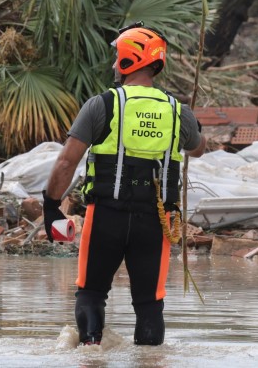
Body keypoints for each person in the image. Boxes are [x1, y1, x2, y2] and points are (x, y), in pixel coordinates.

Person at [43, 24, 204, 347]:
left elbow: (65, 162)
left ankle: (90, 354)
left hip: (106, 217)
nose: (115, 64)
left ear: (131, 60)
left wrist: (50, 205)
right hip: (156, 223)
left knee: (91, 293)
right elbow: (197, 148)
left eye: (118, 57)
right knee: (149, 305)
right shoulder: (178, 112)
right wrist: (193, 123)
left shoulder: (101, 105)